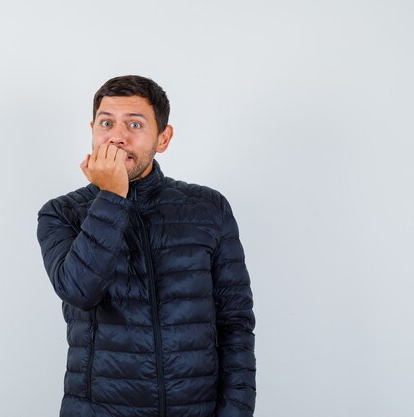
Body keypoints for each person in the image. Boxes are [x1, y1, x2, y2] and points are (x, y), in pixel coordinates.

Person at [37, 75, 256, 417]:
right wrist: (111, 196)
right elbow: (80, 291)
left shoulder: (208, 208)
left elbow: (235, 322)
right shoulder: (61, 213)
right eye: (106, 123)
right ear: (92, 129)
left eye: (134, 124)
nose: (116, 137)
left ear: (163, 138)